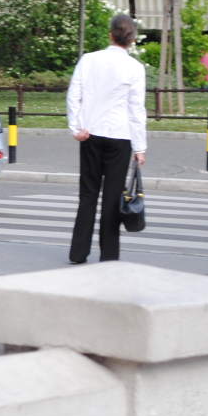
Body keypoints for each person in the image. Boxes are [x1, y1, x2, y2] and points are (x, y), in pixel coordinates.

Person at [66, 14, 147, 264]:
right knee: (112, 198)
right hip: (120, 138)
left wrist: (76, 127)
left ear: (110, 35)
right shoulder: (135, 68)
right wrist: (140, 147)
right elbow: (136, 109)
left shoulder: (89, 60)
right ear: (131, 40)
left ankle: (78, 252)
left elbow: (73, 95)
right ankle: (109, 256)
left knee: (88, 194)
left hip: (90, 134)